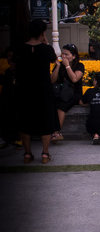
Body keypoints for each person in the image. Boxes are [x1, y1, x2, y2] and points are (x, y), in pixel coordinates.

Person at [14, 18, 60, 163]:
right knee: (46, 121)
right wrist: (46, 42)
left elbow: (14, 66)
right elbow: (53, 59)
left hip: (25, 90)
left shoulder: (20, 49)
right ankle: (45, 154)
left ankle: (27, 153)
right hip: (43, 90)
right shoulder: (46, 50)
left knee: (25, 121)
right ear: (42, 33)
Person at [50, 43, 85, 141]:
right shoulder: (60, 65)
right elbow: (52, 80)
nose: (64, 56)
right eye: (63, 54)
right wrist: (57, 66)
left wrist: (67, 66)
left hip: (73, 93)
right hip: (60, 92)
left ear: (73, 56)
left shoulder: (79, 65)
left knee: (61, 106)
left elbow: (74, 79)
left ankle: (56, 132)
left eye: (67, 54)